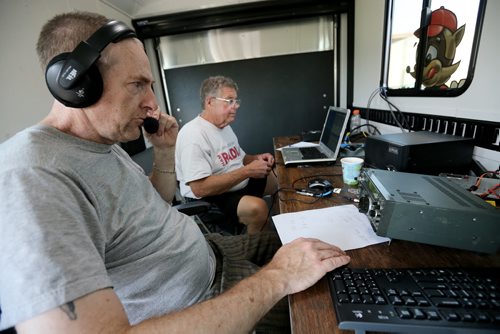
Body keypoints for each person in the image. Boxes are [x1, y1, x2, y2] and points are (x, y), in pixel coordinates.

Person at [0, 12, 350, 334]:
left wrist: (165, 151)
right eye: (137, 85)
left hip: (215, 249)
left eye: (151, 85)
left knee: (331, 244)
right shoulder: (30, 176)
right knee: (331, 315)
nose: (153, 102)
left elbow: (158, 201)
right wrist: (277, 278)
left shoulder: (101, 143)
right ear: (75, 83)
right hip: (203, 297)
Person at [175, 76, 276, 234]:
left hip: (235, 185)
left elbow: (240, 158)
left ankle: (276, 228)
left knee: (275, 179)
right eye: (229, 101)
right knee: (258, 208)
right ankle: (254, 250)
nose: (235, 106)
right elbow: (200, 188)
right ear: (210, 102)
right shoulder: (193, 135)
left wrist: (256, 158)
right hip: (210, 198)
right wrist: (247, 171)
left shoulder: (224, 127)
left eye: (236, 101)